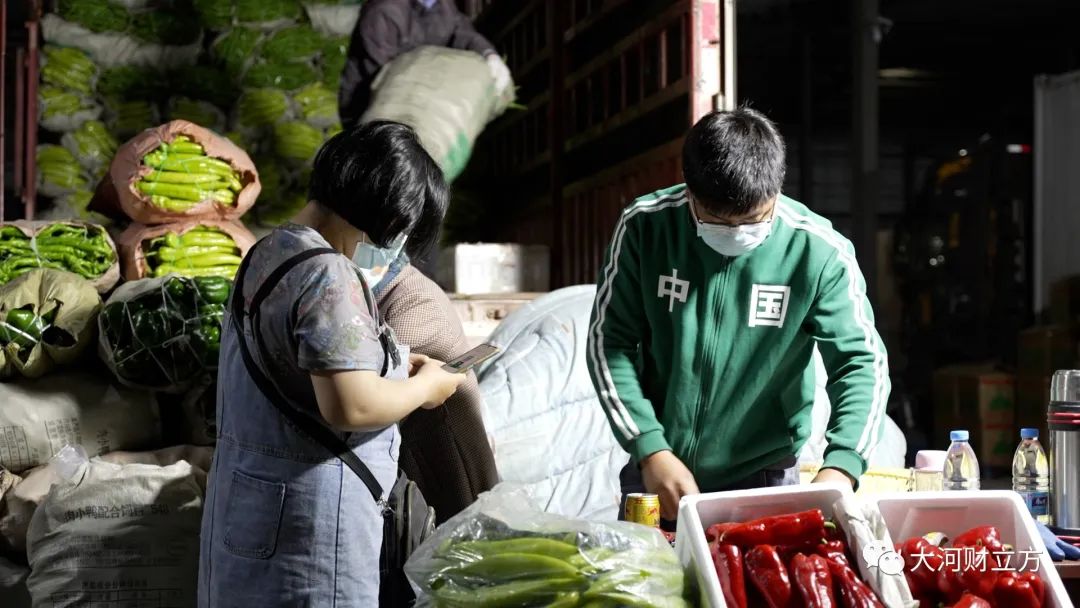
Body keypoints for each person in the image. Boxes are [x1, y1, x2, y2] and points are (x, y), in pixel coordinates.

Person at [198, 121, 466, 607]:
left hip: (246, 512)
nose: (396, 246)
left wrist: (395, 364)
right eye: (401, 230)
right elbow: (353, 406)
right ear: (384, 210)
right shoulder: (330, 273)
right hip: (309, 530)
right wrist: (429, 388)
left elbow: (307, 369)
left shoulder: (268, 252)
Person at [587, 107, 890, 523]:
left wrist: (842, 467)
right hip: (659, 472)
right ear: (689, 192)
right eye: (715, 221)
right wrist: (649, 447)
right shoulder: (646, 227)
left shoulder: (818, 252)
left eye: (751, 220)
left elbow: (861, 363)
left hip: (764, 475)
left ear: (776, 190)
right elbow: (609, 343)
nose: (734, 234)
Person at [363, 234, 500, 524]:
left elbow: (366, 406)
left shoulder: (415, 307)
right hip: (422, 503)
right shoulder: (378, 295)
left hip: (442, 502)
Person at [339, 0, 512, 130]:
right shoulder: (384, 11)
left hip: (416, 96)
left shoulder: (440, 4)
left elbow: (461, 30)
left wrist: (489, 54)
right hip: (367, 103)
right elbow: (381, 74)